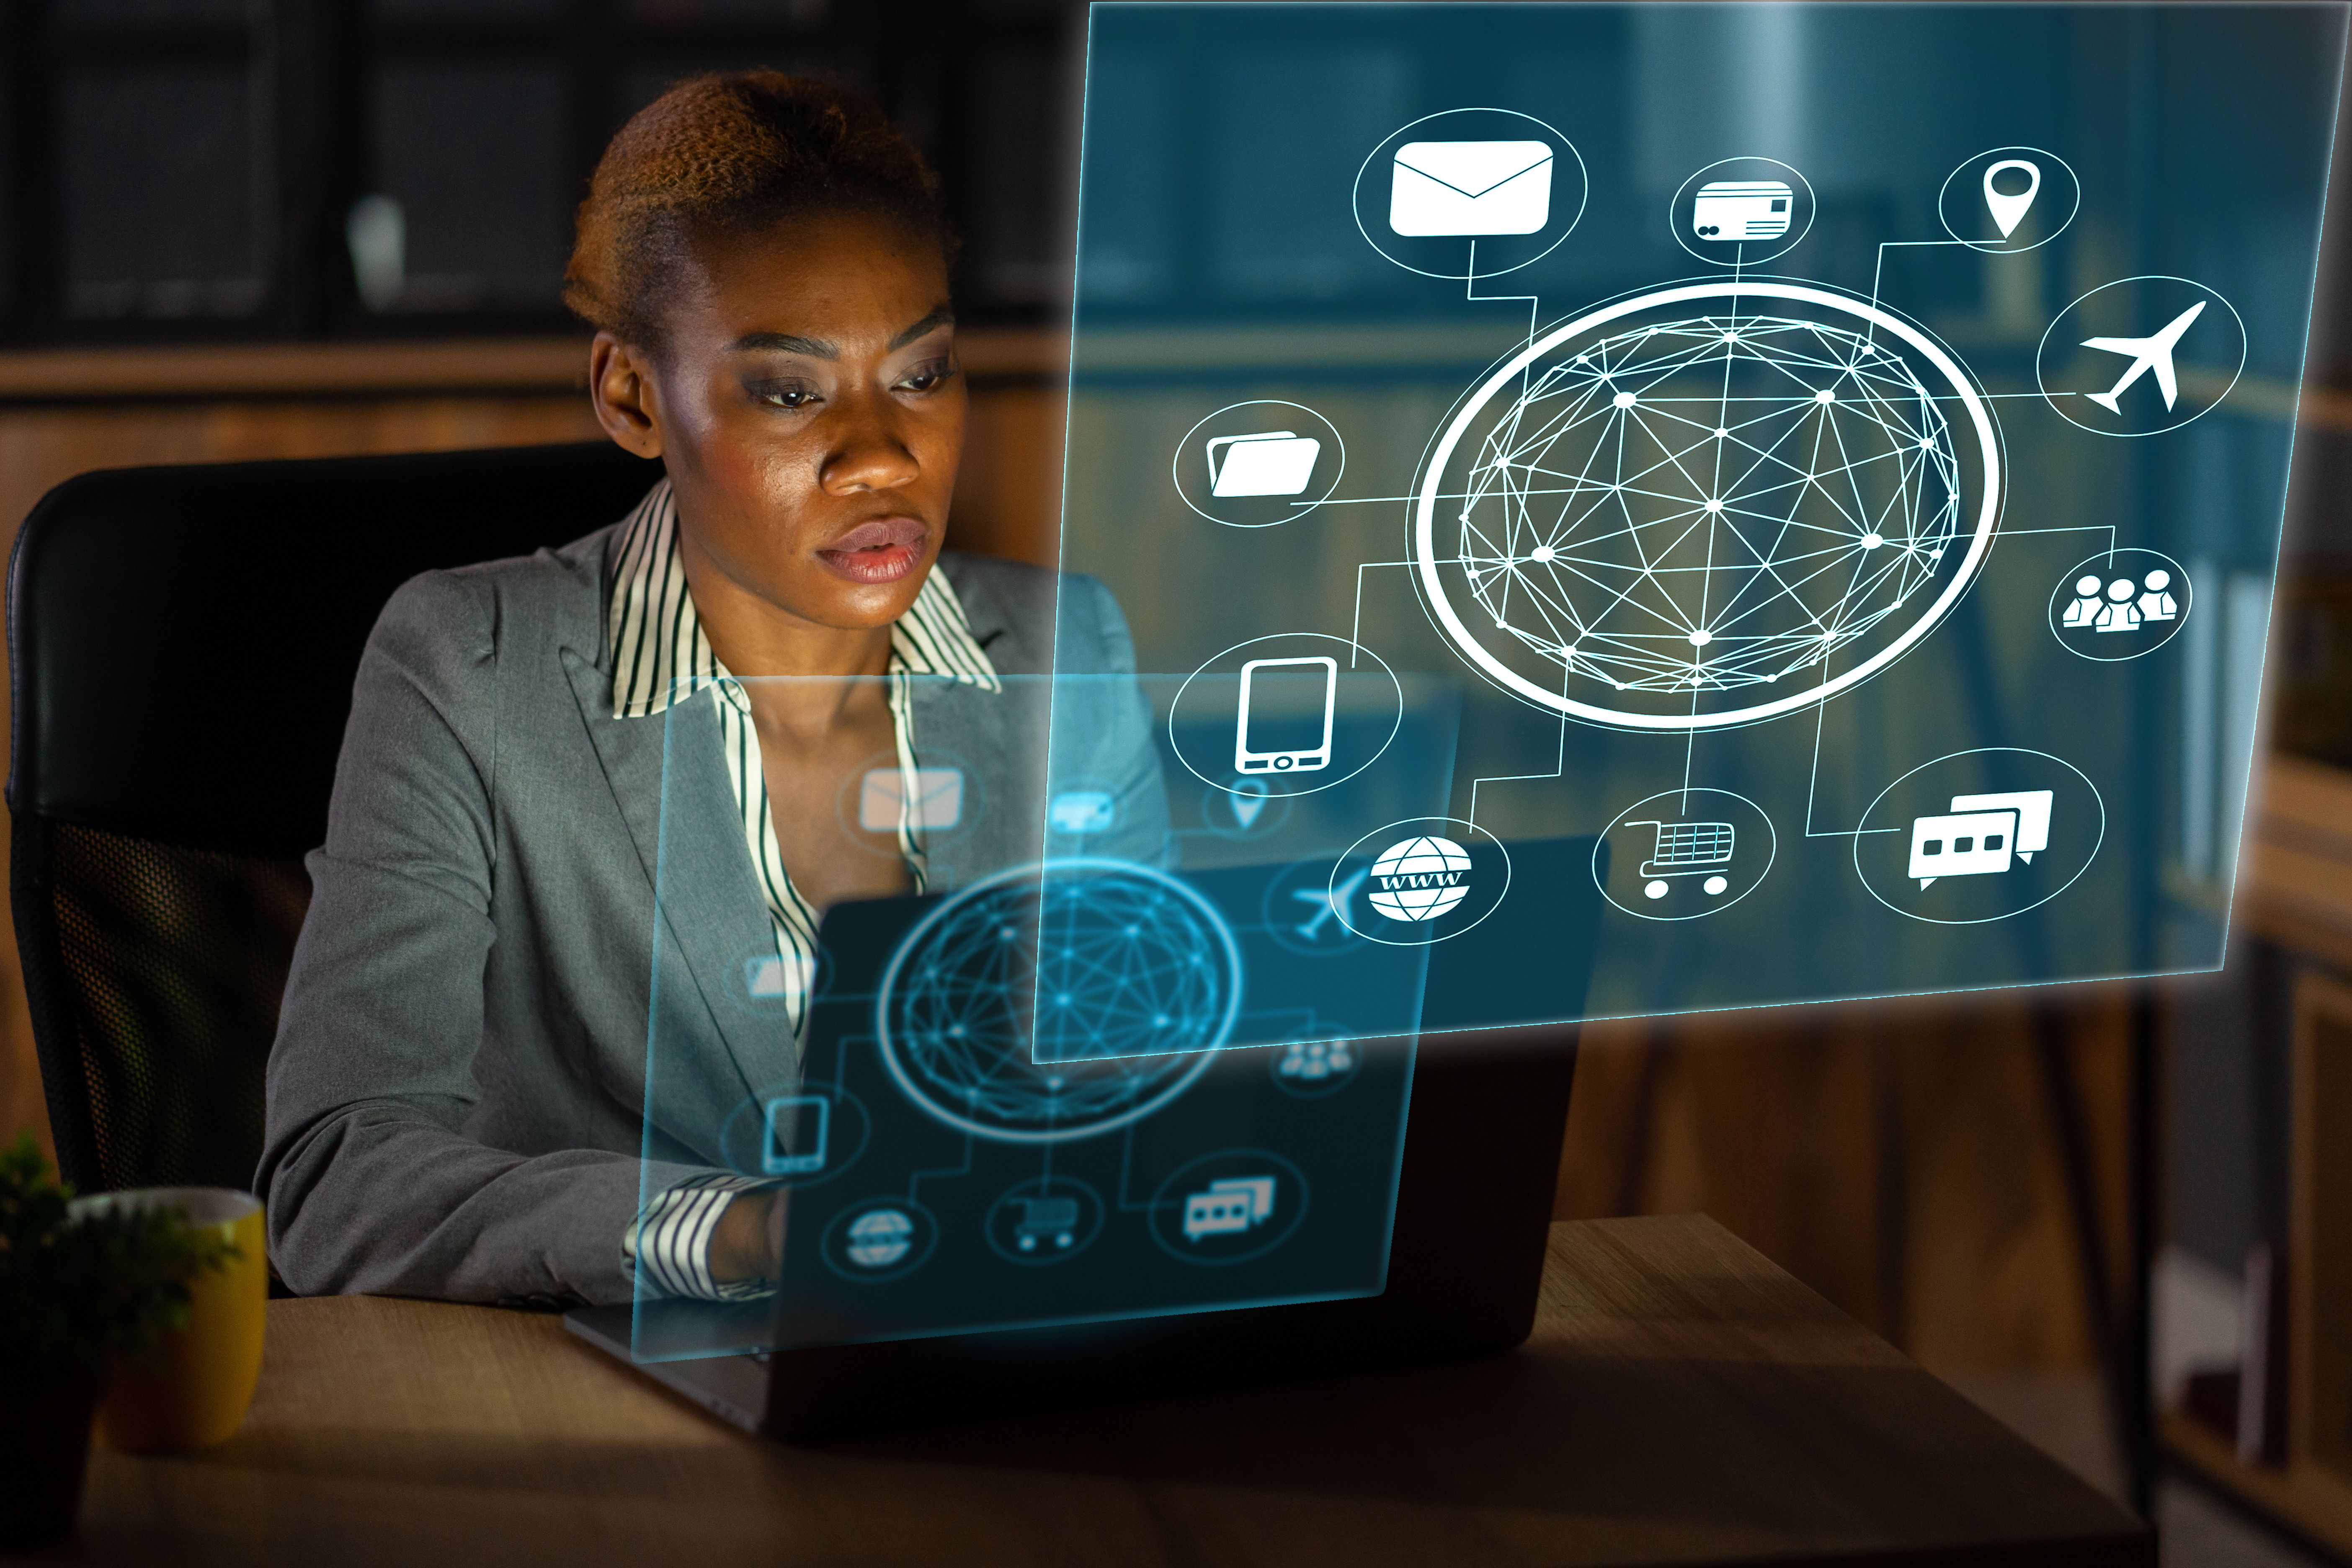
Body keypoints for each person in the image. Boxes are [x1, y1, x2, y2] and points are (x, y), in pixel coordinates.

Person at [258, 73, 1165, 1307]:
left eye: (921, 373)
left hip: (1005, 1367)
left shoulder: (1069, 654)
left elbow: (1149, 1087)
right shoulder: (466, 670)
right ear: (634, 395)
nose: (883, 454)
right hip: (616, 1415)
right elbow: (335, 1177)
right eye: (791, 391)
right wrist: (747, 1236)